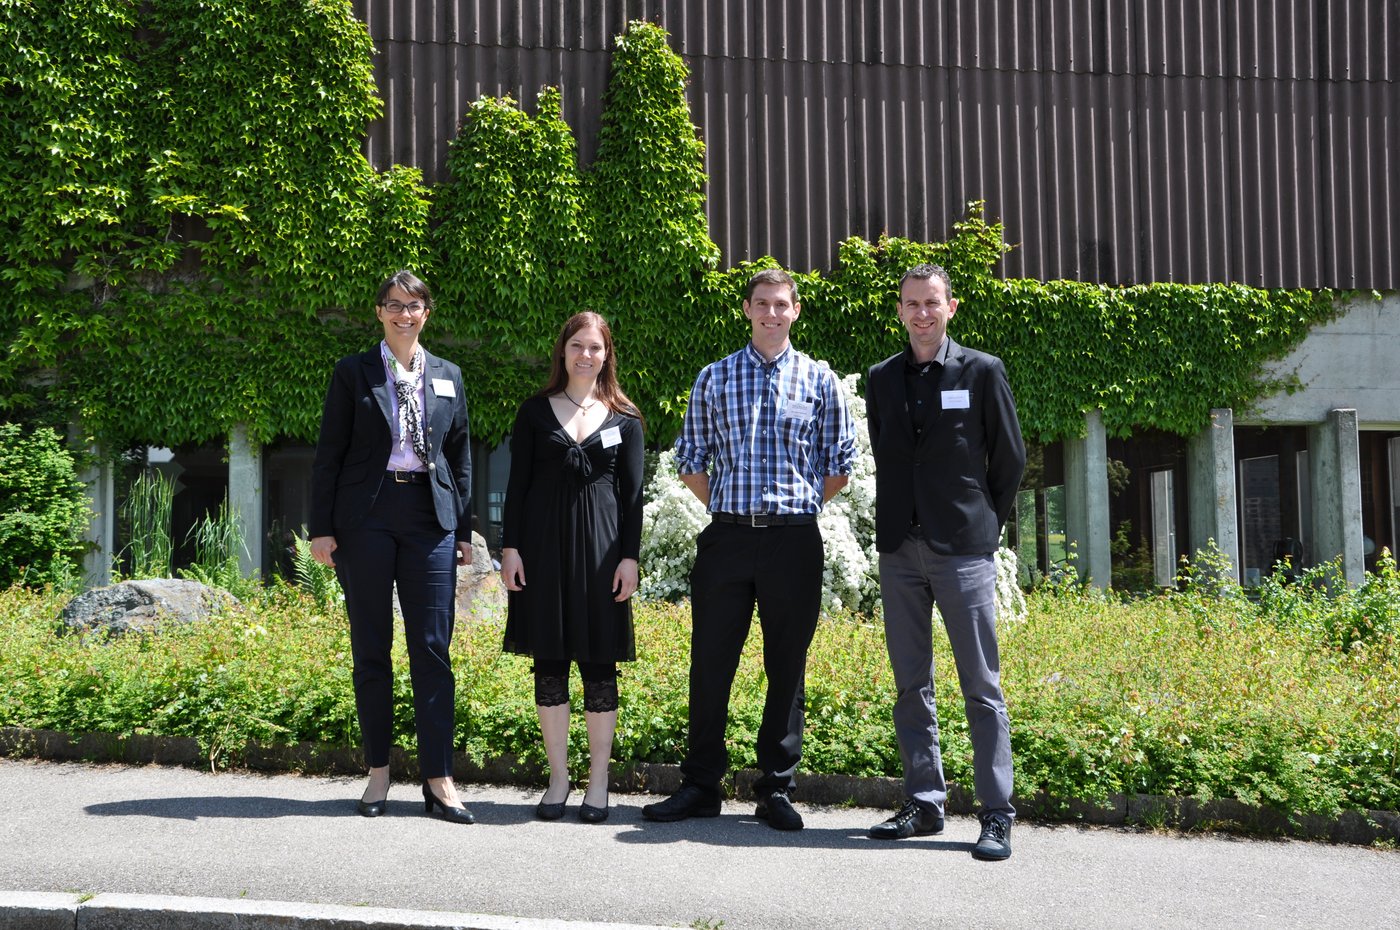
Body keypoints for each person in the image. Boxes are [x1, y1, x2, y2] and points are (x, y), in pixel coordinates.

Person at [641, 268, 856, 831]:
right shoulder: (715, 378)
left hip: (793, 539)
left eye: (781, 304)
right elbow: (690, 457)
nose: (771, 313)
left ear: (796, 310)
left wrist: (794, 506)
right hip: (728, 538)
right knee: (711, 663)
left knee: (787, 667)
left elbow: (839, 466)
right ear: (746, 309)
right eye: (762, 304)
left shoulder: (819, 380)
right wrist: (734, 508)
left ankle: (776, 790)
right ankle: (700, 785)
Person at [864, 263, 1026, 860]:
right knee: (911, 684)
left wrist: (982, 524)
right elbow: (889, 453)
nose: (922, 313)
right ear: (901, 310)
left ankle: (996, 814)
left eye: (932, 302)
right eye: (911, 303)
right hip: (900, 549)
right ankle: (925, 802)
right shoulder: (881, 378)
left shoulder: (982, 371)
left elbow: (1009, 458)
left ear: (951, 307)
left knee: (981, 688)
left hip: (963, 550)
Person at [309, 270, 476, 824]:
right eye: (394, 305)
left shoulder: (448, 375)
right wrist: (322, 528)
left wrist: (463, 528)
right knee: (372, 647)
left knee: (432, 648)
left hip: (430, 518)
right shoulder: (353, 372)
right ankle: (378, 771)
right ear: (379, 312)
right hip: (367, 518)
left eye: (415, 305)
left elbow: (460, 458)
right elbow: (328, 453)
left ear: (428, 312)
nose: (405, 314)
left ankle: (438, 778)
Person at [499, 312, 645, 824]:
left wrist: (631, 557)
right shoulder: (534, 412)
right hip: (542, 551)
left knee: (600, 667)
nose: (586, 354)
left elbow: (633, 498)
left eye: (596, 347)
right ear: (562, 351)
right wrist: (510, 548)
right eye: (577, 345)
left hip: (604, 555)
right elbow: (516, 486)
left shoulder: (625, 417)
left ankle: (599, 781)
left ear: (607, 354)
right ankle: (559, 778)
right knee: (551, 666)